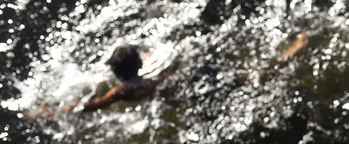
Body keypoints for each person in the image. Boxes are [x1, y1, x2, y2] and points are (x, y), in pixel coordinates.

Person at [27, 33, 308, 117]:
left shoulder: (125, 91)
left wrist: (45, 112)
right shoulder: (152, 59)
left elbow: (85, 107)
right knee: (252, 75)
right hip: (188, 72)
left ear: (115, 71)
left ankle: (293, 52)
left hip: (190, 94)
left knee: (249, 82)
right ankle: (293, 50)